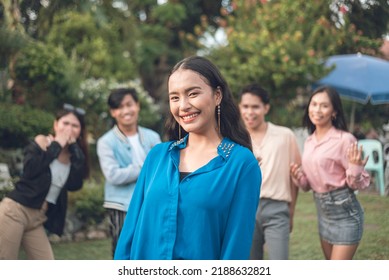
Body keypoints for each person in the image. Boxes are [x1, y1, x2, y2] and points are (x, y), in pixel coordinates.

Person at [114, 56, 262, 260]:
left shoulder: (241, 164)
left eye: (192, 94)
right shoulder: (157, 157)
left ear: (217, 95)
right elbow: (129, 234)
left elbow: (236, 247)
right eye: (174, 97)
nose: (183, 106)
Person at [290, 86, 370, 260]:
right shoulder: (309, 141)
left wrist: (356, 167)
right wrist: (299, 178)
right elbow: (308, 186)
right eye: (314, 104)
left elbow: (357, 185)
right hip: (323, 213)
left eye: (324, 106)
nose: (317, 110)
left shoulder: (345, 140)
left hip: (345, 213)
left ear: (334, 112)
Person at [0, 104, 89, 259]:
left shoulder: (73, 156)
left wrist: (74, 148)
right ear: (56, 125)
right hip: (15, 211)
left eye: (75, 125)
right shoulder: (43, 142)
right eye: (65, 123)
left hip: (37, 218)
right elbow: (30, 170)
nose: (69, 128)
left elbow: (75, 184)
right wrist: (57, 145)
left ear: (80, 131)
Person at [96, 87, 161, 258]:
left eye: (129, 104)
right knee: (124, 251)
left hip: (150, 202)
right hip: (121, 206)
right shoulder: (106, 142)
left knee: (152, 250)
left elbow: (162, 168)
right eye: (119, 107)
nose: (125, 111)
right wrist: (144, 168)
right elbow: (113, 175)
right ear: (113, 112)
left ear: (137, 106)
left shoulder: (153, 137)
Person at [238, 83, 301, 260]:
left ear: (266, 108)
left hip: (277, 210)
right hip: (245, 209)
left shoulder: (285, 136)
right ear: (239, 107)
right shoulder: (235, 139)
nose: (250, 112)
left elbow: (294, 178)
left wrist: (291, 213)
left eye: (255, 107)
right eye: (245, 106)